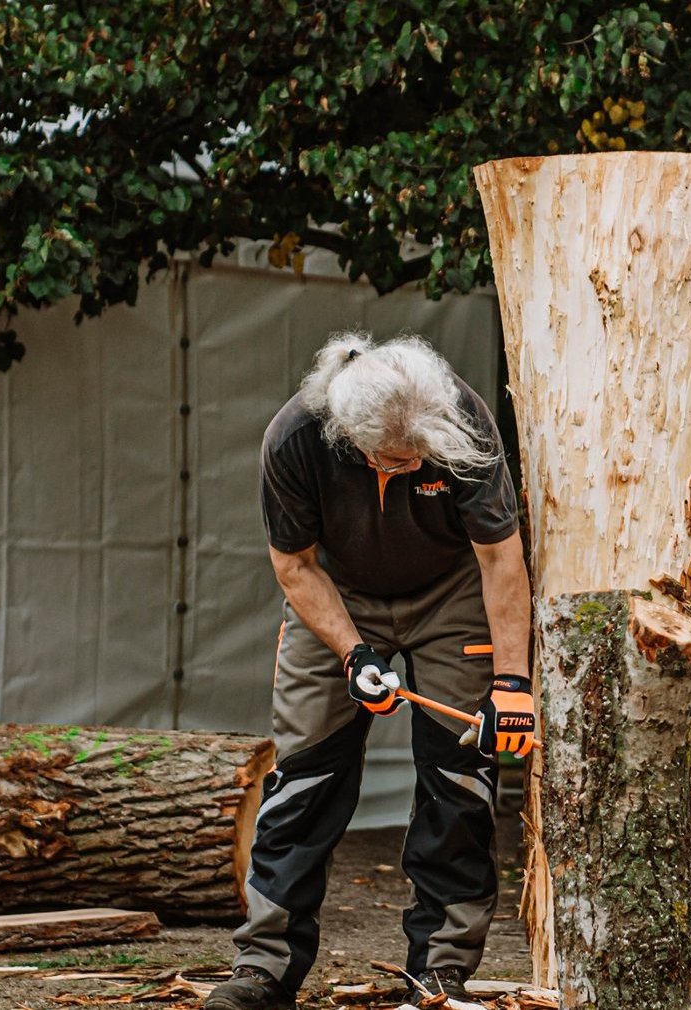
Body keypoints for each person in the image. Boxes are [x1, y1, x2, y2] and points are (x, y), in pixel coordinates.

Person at [205, 332, 537, 1010]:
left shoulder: (463, 423)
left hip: (452, 593)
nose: (404, 469)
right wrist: (354, 655)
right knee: (304, 773)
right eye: (390, 460)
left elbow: (502, 561)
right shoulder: (295, 437)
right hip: (339, 593)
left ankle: (439, 972)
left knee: (459, 775)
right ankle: (264, 967)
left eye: (417, 458)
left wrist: (512, 686)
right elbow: (294, 567)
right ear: (347, 435)